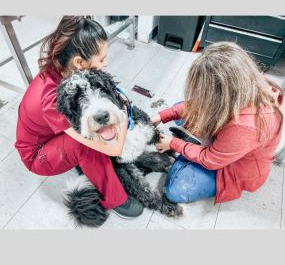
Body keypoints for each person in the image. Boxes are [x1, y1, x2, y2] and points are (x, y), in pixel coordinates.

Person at [15, 16, 143, 218]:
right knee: (87, 142)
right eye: (101, 59)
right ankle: (116, 198)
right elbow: (115, 148)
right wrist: (124, 117)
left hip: (51, 135)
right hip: (37, 155)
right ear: (79, 62)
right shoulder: (52, 101)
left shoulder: (63, 68)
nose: (106, 63)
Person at [151, 42, 283, 204]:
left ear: (223, 94)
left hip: (231, 168)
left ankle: (193, 147)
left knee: (174, 190)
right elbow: (201, 104)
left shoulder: (246, 125)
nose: (201, 96)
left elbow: (210, 160)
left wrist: (174, 144)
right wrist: (161, 116)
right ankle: (196, 144)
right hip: (229, 138)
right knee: (179, 108)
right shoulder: (247, 81)